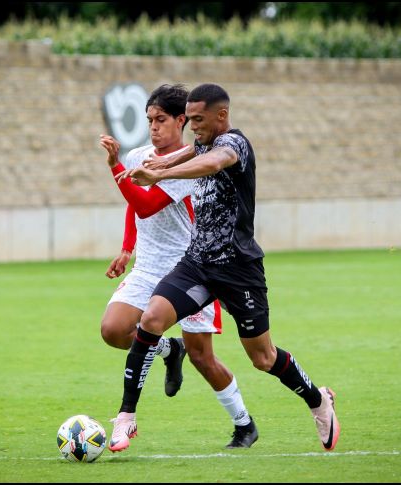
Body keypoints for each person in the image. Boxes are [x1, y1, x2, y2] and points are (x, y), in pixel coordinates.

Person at [110, 83, 340, 453]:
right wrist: (163, 162)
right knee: (152, 319)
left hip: (238, 268)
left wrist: (162, 174)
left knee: (262, 357)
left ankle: (318, 399)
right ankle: (126, 417)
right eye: (189, 118)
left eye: (198, 119)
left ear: (222, 115)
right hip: (197, 263)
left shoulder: (235, 144)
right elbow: (192, 151)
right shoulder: (201, 142)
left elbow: (212, 161)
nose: (192, 126)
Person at [100, 84, 258, 452]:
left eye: (161, 120)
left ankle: (244, 423)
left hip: (190, 267)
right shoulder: (142, 155)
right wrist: (127, 248)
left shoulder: (189, 169)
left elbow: (145, 204)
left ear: (181, 121)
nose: (153, 127)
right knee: (113, 330)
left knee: (203, 356)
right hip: (149, 265)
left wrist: (114, 166)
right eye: (149, 120)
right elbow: (132, 202)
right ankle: (170, 351)